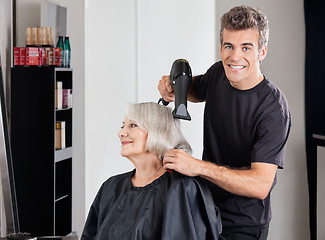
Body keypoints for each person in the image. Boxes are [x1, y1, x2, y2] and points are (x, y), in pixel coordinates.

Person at [158, 5, 291, 240]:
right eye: (228, 46)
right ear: (220, 47)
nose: (235, 56)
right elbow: (196, 90)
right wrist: (174, 86)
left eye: (246, 47)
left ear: (262, 52)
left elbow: (259, 185)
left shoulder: (273, 108)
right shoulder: (219, 73)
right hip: (206, 209)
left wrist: (197, 167)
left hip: (244, 223)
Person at [81, 102, 223, 240]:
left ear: (160, 131)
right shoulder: (111, 187)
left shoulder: (182, 188)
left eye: (133, 125)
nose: (121, 133)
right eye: (122, 126)